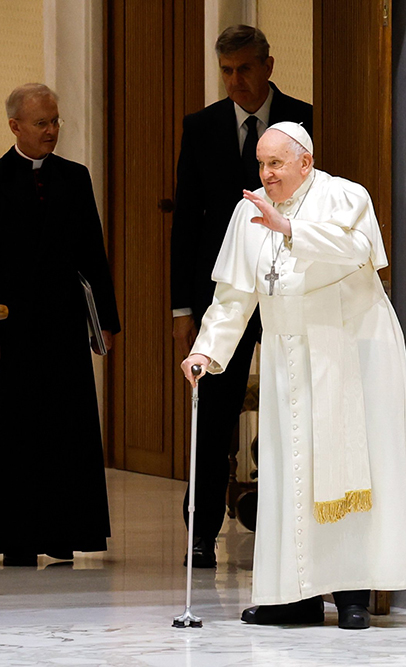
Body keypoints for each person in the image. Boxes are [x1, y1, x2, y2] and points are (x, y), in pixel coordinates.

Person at [181, 123, 406, 629]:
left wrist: (291, 230)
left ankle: (352, 597)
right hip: (288, 356)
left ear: (306, 162)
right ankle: (295, 597)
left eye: (276, 164)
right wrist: (206, 352)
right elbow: (234, 295)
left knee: (349, 468)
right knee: (290, 475)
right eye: (260, 164)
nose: (266, 174)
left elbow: (357, 252)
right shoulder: (246, 210)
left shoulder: (345, 195)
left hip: (350, 351)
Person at [170, 25, 313, 568]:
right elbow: (186, 222)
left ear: (268, 65)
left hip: (290, 287)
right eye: (226, 71)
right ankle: (200, 530)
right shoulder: (202, 127)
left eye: (246, 69)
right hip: (225, 291)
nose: (236, 81)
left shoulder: (305, 120)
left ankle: (289, 525)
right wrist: (184, 308)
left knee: (290, 401)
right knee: (214, 410)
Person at [0, 83, 120, 567]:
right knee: (19, 434)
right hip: (15, 328)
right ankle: (18, 539)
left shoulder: (75, 178)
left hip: (64, 326)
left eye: (55, 121)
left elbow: (93, 252)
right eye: (42, 123)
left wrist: (105, 321)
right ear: (15, 127)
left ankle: (65, 532)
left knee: (66, 431)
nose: (51, 130)